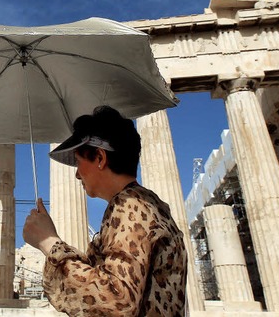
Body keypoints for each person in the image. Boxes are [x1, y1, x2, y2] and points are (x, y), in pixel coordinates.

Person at [23, 105, 187, 316]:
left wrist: (50, 243)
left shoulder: (132, 206)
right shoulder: (143, 204)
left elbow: (117, 302)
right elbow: (101, 282)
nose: (77, 175)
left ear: (99, 158)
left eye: (78, 162)